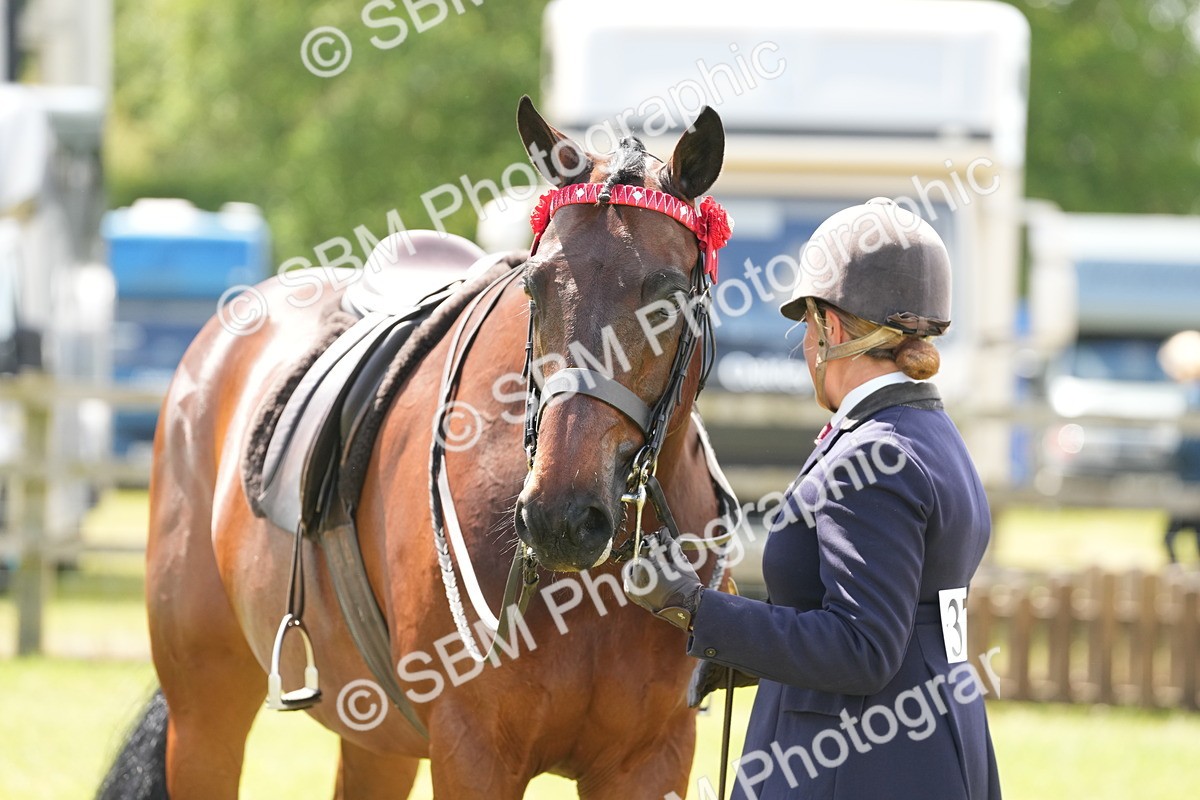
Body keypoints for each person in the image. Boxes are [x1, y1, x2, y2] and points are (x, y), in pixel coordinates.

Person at [626, 198, 1001, 799]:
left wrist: (694, 607)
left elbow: (862, 648)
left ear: (831, 328)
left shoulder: (874, 458)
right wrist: (741, 650)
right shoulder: (930, 431)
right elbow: (896, 620)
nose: (805, 344)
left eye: (807, 326)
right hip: (926, 745)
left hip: (858, 767)